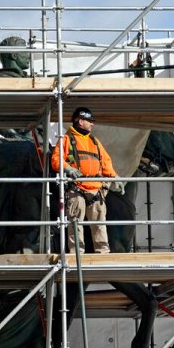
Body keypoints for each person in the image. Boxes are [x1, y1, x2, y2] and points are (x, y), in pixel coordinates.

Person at [51, 107, 120, 254]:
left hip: (95, 188)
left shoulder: (94, 141)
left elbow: (106, 162)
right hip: (76, 188)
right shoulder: (67, 139)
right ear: (80, 121)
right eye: (90, 121)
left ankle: (103, 253)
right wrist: (68, 168)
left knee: (99, 224)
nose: (92, 124)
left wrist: (115, 177)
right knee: (75, 223)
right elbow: (56, 159)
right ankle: (77, 254)